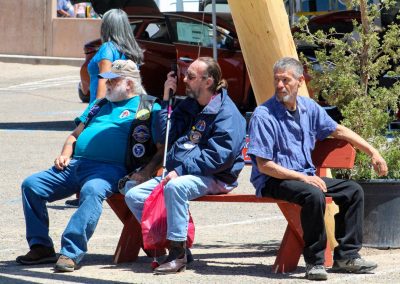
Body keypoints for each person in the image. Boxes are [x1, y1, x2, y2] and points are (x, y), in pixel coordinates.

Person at [247, 57, 388, 281]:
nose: (280, 85)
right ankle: (315, 262)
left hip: (304, 177)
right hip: (273, 180)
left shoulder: (308, 108)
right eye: (277, 80)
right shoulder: (264, 115)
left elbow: (338, 130)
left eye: (286, 80)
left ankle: (347, 256)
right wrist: (304, 177)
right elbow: (265, 166)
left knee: (352, 191)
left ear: (300, 81)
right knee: (312, 194)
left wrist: (373, 152)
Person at [16, 60, 163, 272]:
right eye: (108, 80)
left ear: (129, 84)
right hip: (76, 164)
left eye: (113, 80)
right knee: (31, 185)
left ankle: (71, 252)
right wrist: (65, 154)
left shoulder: (148, 107)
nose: (108, 84)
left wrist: (147, 172)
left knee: (92, 190)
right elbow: (74, 136)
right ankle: (41, 247)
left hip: (111, 169)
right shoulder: (99, 105)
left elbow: (161, 148)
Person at [125, 57, 246, 274]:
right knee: (133, 195)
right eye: (185, 74)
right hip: (181, 171)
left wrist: (180, 170)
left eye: (190, 76)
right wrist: (165, 99)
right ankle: (174, 243)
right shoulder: (190, 105)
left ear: (208, 82)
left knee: (175, 187)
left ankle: (177, 254)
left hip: (217, 175)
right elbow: (165, 136)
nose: (184, 79)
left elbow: (219, 157)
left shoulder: (227, 113)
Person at [87, 9, 143, 103]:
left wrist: (95, 111)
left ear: (106, 27)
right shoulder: (133, 49)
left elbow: (104, 79)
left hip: (108, 110)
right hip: (126, 106)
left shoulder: (108, 48)